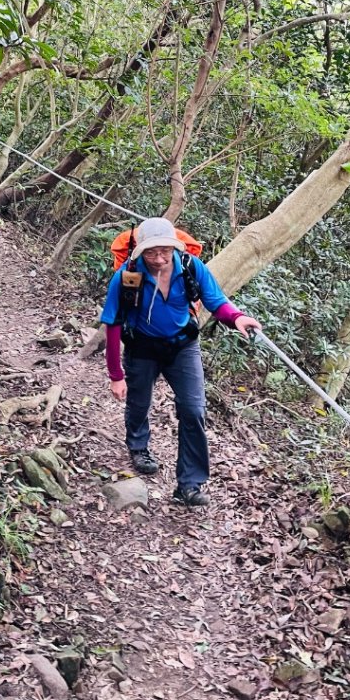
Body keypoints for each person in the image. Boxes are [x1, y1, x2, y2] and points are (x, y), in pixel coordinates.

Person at [101, 217, 262, 506]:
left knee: (193, 410)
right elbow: (113, 323)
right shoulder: (128, 275)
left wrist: (237, 317)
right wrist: (116, 373)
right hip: (142, 347)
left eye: (165, 250)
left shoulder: (190, 267)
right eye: (151, 252)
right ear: (140, 251)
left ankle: (189, 484)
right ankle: (138, 447)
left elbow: (215, 299)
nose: (159, 258)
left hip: (183, 346)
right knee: (139, 402)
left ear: (175, 247)